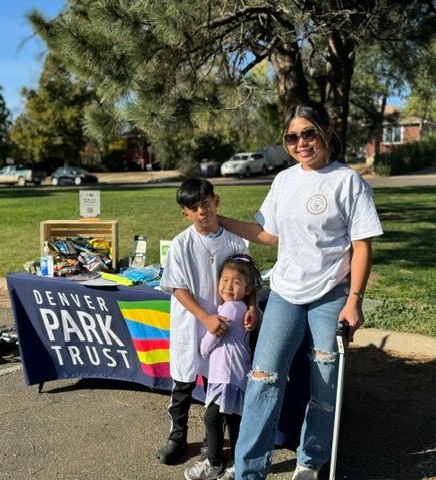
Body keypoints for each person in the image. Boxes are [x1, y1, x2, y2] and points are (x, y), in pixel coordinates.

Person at [218, 101, 384, 480]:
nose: (301, 143)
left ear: (326, 132)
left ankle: (309, 462)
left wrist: (354, 300)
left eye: (308, 133)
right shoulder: (284, 180)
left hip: (330, 296)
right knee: (263, 379)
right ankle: (248, 469)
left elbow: (362, 245)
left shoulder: (348, 181)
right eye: (292, 137)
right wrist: (220, 220)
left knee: (324, 386)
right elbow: (267, 233)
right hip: (286, 294)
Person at [158, 178, 256, 465]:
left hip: (225, 330)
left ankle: (209, 441)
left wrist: (251, 308)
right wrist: (205, 317)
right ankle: (177, 436)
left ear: (217, 201)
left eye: (205, 203)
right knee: (183, 384)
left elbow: (249, 282)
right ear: (185, 213)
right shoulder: (181, 244)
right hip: (191, 324)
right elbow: (177, 287)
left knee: (217, 385)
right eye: (193, 208)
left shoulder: (236, 241)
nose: (202, 211)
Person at [184, 254, 262, 480]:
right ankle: (237, 463)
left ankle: (214, 462)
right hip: (234, 371)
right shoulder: (240, 308)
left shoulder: (229, 309)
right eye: (224, 280)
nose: (228, 286)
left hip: (226, 372)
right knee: (232, 419)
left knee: (213, 418)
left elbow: (211, 339)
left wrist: (202, 349)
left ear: (247, 290)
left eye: (236, 282)